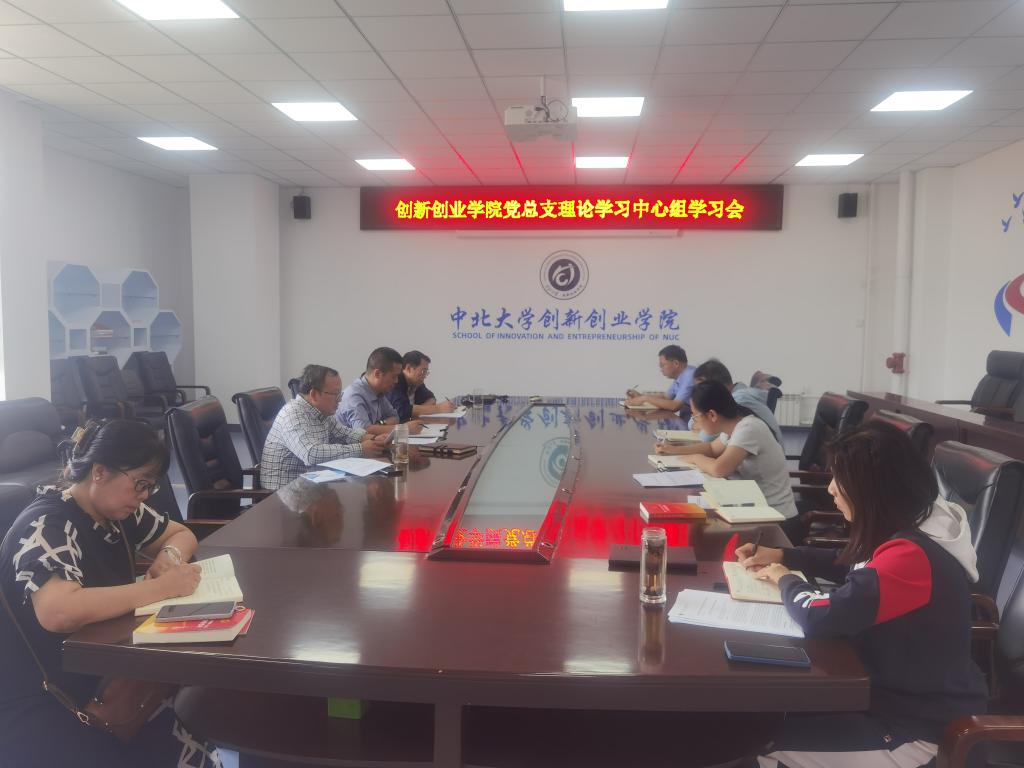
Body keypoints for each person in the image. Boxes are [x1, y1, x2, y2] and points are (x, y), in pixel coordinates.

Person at [737, 421, 986, 768]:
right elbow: (855, 565)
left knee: (762, 747)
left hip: (914, 729)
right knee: (768, 717)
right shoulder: (914, 522)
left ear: (872, 489)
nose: (831, 489)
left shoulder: (912, 556)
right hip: (885, 695)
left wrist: (785, 579)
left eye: (840, 480)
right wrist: (785, 555)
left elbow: (820, 615)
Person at [0, 419, 222, 767]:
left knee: (192, 715)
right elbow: (58, 611)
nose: (145, 495)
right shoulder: (48, 525)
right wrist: (159, 588)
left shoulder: (114, 512)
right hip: (48, 695)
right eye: (140, 484)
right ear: (100, 472)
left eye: (150, 486)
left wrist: (168, 557)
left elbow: (181, 534)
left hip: (104, 670)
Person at [665, 381, 799, 535]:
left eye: (695, 416)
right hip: (753, 509)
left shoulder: (749, 428)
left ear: (712, 415)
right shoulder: (734, 426)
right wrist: (673, 450)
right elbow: (711, 449)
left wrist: (695, 458)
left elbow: (719, 469)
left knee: (702, 532)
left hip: (776, 520)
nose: (695, 422)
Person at [260, 364, 386, 490]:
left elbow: (344, 434)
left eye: (340, 394)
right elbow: (311, 454)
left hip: (311, 484)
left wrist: (373, 439)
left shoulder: (322, 413)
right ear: (314, 394)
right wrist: (361, 449)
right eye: (335, 394)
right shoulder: (293, 415)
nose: (339, 400)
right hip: (284, 492)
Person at [686, 359, 783, 444]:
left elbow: (706, 437)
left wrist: (701, 424)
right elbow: (693, 422)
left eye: (701, 389)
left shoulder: (739, 400)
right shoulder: (738, 393)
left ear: (715, 387)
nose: (698, 394)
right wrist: (701, 421)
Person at [338, 347, 423, 435]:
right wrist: (403, 429)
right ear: (377, 374)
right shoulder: (353, 396)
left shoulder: (379, 392)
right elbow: (363, 431)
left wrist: (379, 424)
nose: (396, 381)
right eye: (394, 376)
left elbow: (395, 417)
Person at [624, 344, 695, 416]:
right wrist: (640, 396)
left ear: (676, 363)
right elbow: (666, 397)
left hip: (695, 417)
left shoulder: (690, 375)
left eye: (662, 365)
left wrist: (644, 398)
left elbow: (674, 406)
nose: (661, 370)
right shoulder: (681, 375)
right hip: (688, 412)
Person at [387, 350, 455, 421]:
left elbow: (431, 398)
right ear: (408, 368)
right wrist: (438, 409)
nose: (425, 376)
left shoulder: (416, 382)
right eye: (423, 371)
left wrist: (415, 412)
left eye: (426, 372)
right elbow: (401, 410)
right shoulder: (395, 381)